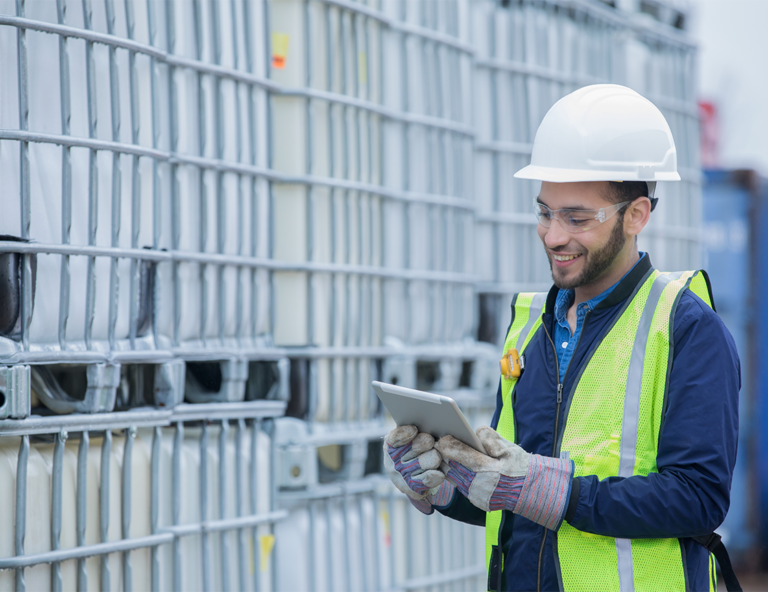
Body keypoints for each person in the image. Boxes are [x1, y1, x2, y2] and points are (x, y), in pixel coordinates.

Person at [383, 84, 740, 592]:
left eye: (576, 218)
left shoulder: (686, 328)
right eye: (545, 212)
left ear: (636, 215)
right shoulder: (530, 327)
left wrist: (555, 493)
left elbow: (698, 497)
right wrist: (443, 483)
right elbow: (512, 497)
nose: (553, 235)